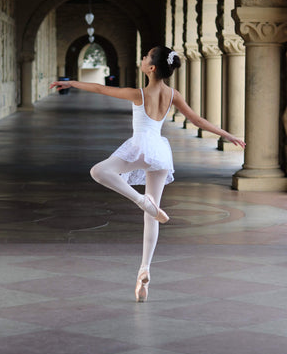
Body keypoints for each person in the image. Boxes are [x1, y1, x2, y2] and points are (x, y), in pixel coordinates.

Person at [50, 45, 245, 302]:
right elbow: (197, 120)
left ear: (151, 68)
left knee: (99, 171)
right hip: (161, 154)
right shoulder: (172, 94)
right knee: (151, 216)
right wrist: (227, 134)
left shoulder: (138, 94)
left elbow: (101, 89)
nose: (142, 59)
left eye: (145, 57)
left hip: (140, 148)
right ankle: (145, 270)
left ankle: (142, 201)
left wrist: (72, 82)